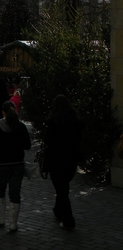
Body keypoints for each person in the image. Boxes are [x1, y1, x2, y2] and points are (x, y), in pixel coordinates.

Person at [0, 101, 31, 232]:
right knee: (15, 192)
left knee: (0, 191)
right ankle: (13, 223)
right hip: (17, 164)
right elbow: (27, 145)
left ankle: (1, 218)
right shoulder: (20, 126)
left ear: (3, 112)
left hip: (1, 163)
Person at [44, 94, 82, 230]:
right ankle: (58, 210)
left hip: (56, 158)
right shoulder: (75, 120)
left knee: (61, 188)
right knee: (63, 186)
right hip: (71, 158)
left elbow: (47, 139)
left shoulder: (53, 121)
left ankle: (68, 218)